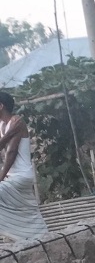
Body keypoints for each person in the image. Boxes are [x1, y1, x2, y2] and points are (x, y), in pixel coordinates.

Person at [0, 92, 48, 241]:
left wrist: (0, 178)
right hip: (14, 177)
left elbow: (11, 152)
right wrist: (8, 135)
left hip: (21, 177)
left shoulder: (17, 122)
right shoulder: (2, 125)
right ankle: (39, 236)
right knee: (28, 212)